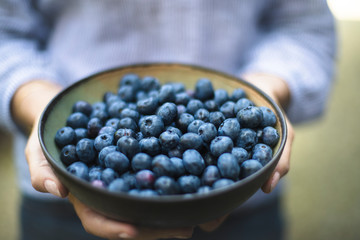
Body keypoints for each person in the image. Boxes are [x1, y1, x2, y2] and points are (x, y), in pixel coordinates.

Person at [0, 0, 336, 239]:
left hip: (243, 206)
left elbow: (304, 29)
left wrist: (268, 89)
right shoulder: (102, 141)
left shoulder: (197, 137)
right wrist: (36, 102)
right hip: (61, 204)